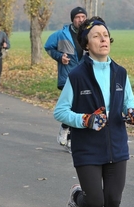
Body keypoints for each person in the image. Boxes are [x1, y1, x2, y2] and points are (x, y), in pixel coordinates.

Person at [54, 16, 134, 207]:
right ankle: (77, 195)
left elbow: (129, 103)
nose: (103, 39)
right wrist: (85, 120)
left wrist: (132, 113)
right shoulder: (78, 76)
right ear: (86, 45)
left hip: (117, 147)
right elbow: (60, 111)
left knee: (113, 200)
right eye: (96, 36)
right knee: (95, 203)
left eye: (105, 34)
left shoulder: (121, 73)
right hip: (87, 149)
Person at [45, 6, 87, 152]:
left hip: (84, 77)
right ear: (73, 19)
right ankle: (68, 136)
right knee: (73, 107)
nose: (81, 20)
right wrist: (59, 57)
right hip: (67, 75)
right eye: (77, 17)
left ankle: (67, 134)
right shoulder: (61, 34)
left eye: (83, 17)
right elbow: (48, 46)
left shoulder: (88, 34)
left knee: (77, 108)